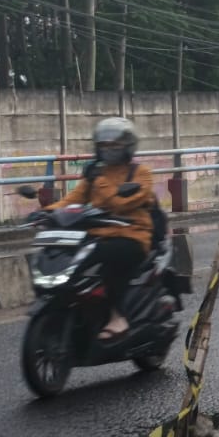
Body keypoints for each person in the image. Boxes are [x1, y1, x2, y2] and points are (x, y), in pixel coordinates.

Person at [42, 117, 154, 341]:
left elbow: (119, 203)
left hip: (132, 235)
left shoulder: (140, 174)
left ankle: (117, 316)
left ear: (128, 146)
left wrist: (99, 181)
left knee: (105, 256)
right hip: (98, 234)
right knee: (65, 256)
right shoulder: (96, 173)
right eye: (104, 145)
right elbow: (75, 198)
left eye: (115, 145)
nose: (108, 150)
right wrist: (49, 211)